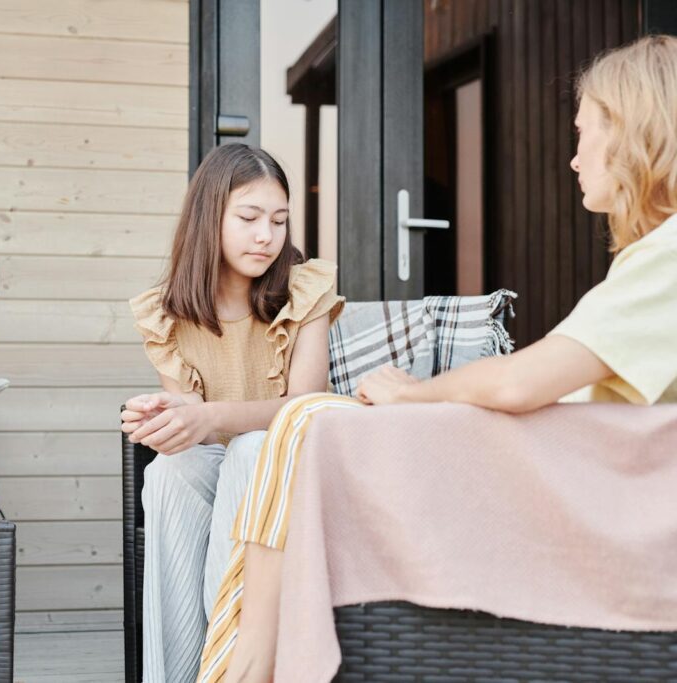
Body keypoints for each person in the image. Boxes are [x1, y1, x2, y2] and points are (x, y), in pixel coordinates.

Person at [198, 34, 677, 683]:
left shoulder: (669, 256)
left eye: (583, 131)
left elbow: (521, 381)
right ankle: (252, 652)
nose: (572, 158)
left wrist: (414, 393)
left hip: (601, 502)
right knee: (307, 422)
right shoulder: (653, 260)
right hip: (589, 481)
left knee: (309, 424)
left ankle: (250, 660)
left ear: (633, 134)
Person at [120, 143, 345, 683]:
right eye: (248, 218)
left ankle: (229, 666)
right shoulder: (166, 313)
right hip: (218, 470)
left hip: (302, 469)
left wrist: (209, 417)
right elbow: (191, 426)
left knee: (250, 450)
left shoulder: (305, 290)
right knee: (169, 472)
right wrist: (159, 417)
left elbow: (303, 408)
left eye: (279, 220)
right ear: (208, 218)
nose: (266, 235)